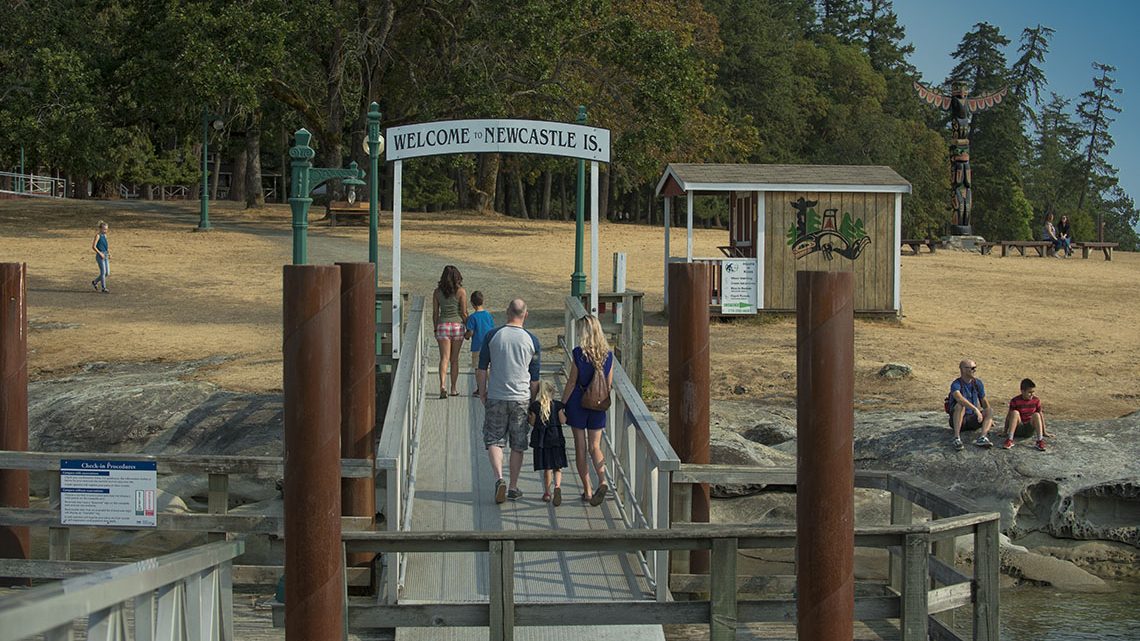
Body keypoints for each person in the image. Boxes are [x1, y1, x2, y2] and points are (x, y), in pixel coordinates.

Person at [477, 298, 541, 503]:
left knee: (494, 439)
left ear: (507, 312)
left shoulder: (492, 336)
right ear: (526, 314)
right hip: (521, 397)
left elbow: (481, 368)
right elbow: (535, 378)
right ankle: (513, 486)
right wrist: (533, 400)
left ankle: (499, 479)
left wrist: (482, 391)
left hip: (497, 394)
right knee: (518, 444)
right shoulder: (532, 340)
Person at [561, 315, 614, 506]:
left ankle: (588, 491)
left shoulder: (578, 353)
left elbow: (572, 382)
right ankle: (603, 480)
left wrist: (562, 405)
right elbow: (608, 385)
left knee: (580, 448)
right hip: (598, 404)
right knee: (595, 446)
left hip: (578, 403)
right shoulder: (608, 354)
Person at [529, 380, 568, 505]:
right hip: (556, 439)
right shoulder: (557, 405)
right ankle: (557, 487)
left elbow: (533, 423)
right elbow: (562, 421)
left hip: (543, 442)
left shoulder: (535, 406)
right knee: (557, 467)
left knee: (547, 468)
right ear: (552, 391)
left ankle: (547, 493)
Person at [432, 265, 467, 398]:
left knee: (444, 358)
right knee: (455, 359)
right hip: (457, 326)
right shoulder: (461, 292)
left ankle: (442, 386)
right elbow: (463, 313)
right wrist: (469, 326)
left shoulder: (436, 292)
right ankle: (453, 388)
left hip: (443, 326)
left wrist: (436, 328)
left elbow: (435, 313)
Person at [948, 359, 995, 450]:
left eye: (975, 368)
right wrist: (975, 409)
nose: (974, 370)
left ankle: (983, 438)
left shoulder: (977, 383)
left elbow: (984, 401)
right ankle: (957, 438)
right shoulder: (956, 384)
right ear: (963, 369)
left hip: (973, 419)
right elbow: (959, 398)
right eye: (972, 368)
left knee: (989, 410)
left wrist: (988, 417)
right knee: (960, 406)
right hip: (959, 421)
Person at [1001, 378, 1048, 451]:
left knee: (1037, 415)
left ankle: (1040, 440)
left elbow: (1040, 415)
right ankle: (1010, 439)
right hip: (1018, 427)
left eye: (1033, 392)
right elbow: (1009, 416)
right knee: (1015, 413)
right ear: (1022, 391)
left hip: (1029, 427)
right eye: (1029, 392)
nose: (1032, 394)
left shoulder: (1036, 400)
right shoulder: (1015, 400)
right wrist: (1005, 431)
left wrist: (1044, 431)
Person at [464, 290, 495, 390]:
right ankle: (491, 387)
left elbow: (471, 332)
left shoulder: (472, 317)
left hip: (477, 346)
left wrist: (466, 336)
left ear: (472, 303)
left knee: (478, 368)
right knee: (488, 367)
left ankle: (480, 388)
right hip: (489, 345)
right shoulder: (488, 315)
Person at [90, 221, 110, 293]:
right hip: (100, 255)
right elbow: (93, 246)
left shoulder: (105, 236)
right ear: (100, 229)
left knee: (107, 273)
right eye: (104, 229)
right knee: (103, 272)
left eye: (106, 229)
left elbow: (105, 245)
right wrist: (100, 253)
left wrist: (108, 252)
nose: (106, 231)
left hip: (105, 254)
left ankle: (95, 281)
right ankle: (103, 288)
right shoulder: (98, 236)